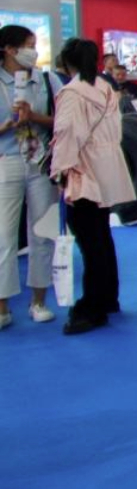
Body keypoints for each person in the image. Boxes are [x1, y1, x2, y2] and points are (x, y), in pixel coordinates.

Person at [50, 38, 136, 335]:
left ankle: (93, 306)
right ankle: (108, 297)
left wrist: (59, 172)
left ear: (66, 62)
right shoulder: (105, 88)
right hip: (107, 166)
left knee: (89, 240)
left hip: (84, 171)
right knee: (101, 236)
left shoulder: (72, 93)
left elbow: (67, 135)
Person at [0, 25, 60, 329]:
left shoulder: (47, 80)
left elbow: (63, 120)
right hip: (6, 160)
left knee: (42, 233)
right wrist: (6, 126)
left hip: (40, 162)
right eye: (28, 45)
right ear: (9, 50)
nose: (34, 51)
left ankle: (39, 301)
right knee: (3, 236)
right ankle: (2, 307)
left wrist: (34, 117)